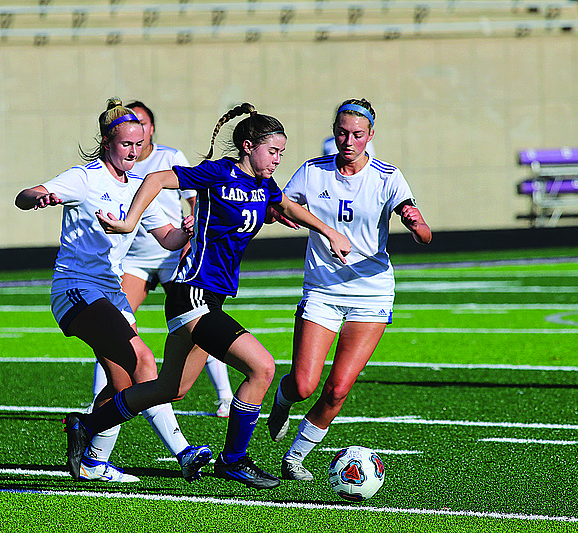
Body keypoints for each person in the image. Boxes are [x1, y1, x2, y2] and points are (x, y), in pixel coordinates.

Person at [76, 103, 352, 490]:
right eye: (272, 151)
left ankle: (86, 424)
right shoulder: (218, 172)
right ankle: (234, 460)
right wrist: (128, 222)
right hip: (193, 294)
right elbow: (155, 179)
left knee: (170, 388)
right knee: (263, 368)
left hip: (212, 298)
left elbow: (284, 204)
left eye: (281, 154)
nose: (276, 160)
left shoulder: (263, 185)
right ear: (246, 145)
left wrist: (327, 231)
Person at [14, 98, 212, 484]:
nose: (134, 152)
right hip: (76, 288)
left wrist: (185, 231)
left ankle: (92, 462)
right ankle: (183, 451)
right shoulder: (84, 178)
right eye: (126, 145)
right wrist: (40, 197)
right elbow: (23, 196)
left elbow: (166, 238)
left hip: (111, 292)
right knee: (144, 360)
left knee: (122, 386)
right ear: (106, 142)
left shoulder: (139, 186)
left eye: (139, 145)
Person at [265, 98, 432, 481]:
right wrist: (278, 212)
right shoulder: (313, 171)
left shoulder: (388, 176)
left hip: (371, 294)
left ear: (371, 136)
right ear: (334, 132)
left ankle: (294, 458)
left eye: (358, 134)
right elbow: (284, 206)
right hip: (322, 291)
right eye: (342, 132)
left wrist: (415, 223)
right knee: (304, 384)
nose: (349, 141)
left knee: (338, 388)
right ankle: (283, 397)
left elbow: (419, 223)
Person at [91, 100, 235, 420]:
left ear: (150, 128)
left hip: (171, 252)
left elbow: (196, 199)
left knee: (200, 320)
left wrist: (192, 229)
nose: (134, 137)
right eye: (127, 132)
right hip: (135, 260)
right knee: (114, 332)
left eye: (141, 126)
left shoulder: (168, 157)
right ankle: (102, 404)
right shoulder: (115, 164)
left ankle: (224, 396)